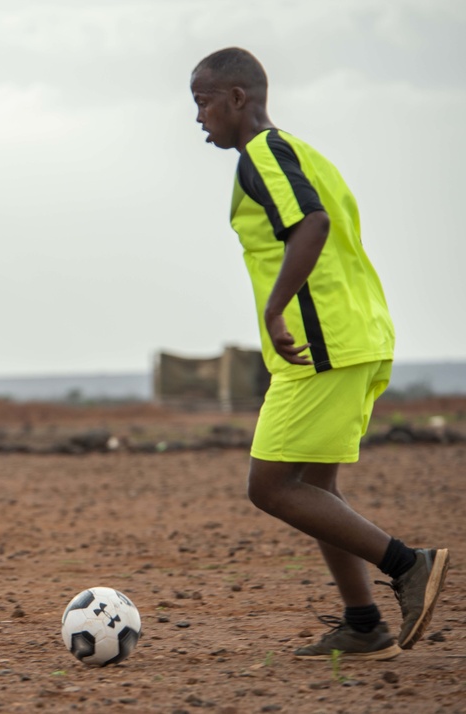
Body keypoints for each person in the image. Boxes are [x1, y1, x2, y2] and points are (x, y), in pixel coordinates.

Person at [189, 48, 449, 660]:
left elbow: (310, 225)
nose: (198, 118)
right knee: (313, 484)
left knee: (272, 487)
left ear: (237, 99)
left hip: (321, 343)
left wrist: (277, 308)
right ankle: (364, 625)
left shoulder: (262, 155)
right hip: (356, 335)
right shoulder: (303, 152)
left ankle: (410, 566)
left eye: (202, 102)